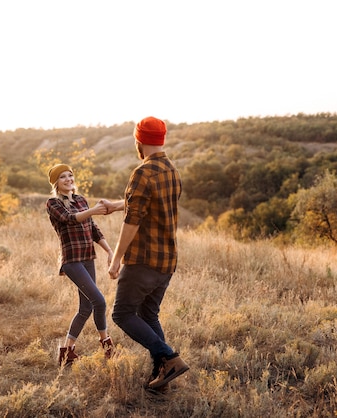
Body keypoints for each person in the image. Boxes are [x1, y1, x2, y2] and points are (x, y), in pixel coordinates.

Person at [103, 116, 189, 392]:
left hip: (142, 261)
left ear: (138, 141)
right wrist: (116, 205)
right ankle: (162, 375)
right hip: (166, 261)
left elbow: (133, 221)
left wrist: (116, 258)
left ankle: (170, 357)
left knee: (122, 314)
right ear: (161, 140)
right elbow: (141, 204)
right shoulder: (171, 169)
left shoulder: (141, 173)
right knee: (149, 316)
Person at [46, 163, 115, 366]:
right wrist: (93, 210)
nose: (68, 179)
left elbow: (93, 229)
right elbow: (70, 219)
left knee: (86, 307)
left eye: (70, 175)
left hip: (87, 258)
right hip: (72, 261)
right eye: (63, 177)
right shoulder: (53, 203)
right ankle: (107, 345)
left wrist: (110, 251)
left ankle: (66, 353)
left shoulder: (81, 200)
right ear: (56, 183)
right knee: (99, 302)